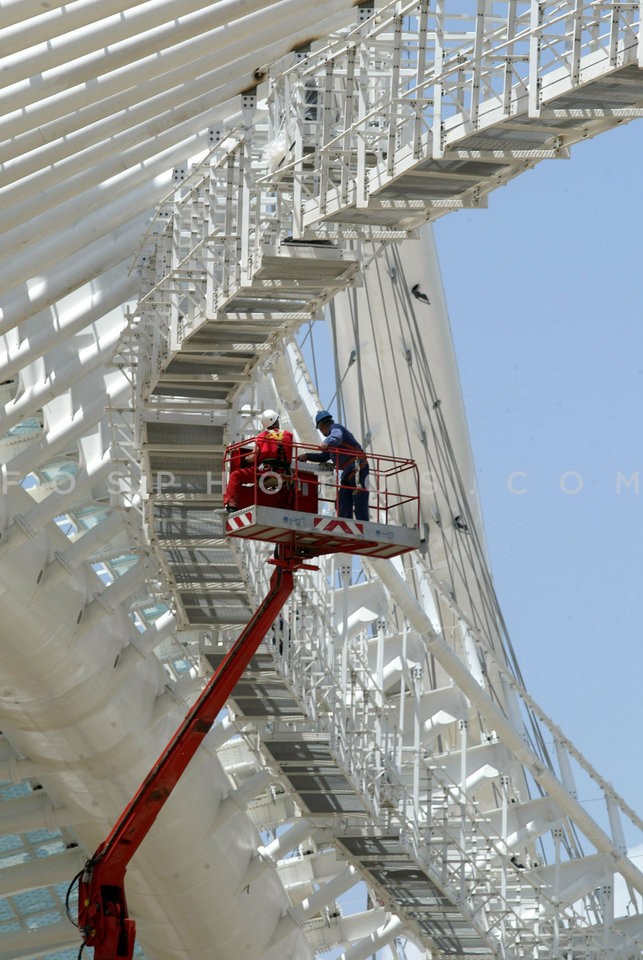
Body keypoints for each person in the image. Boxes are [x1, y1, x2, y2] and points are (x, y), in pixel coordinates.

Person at [298, 410, 369, 520]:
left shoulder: (335, 428)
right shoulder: (332, 442)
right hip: (348, 472)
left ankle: (365, 525)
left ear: (321, 426)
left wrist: (326, 442)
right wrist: (307, 456)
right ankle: (346, 524)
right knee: (341, 502)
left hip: (357, 466)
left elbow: (337, 436)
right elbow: (324, 457)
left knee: (359, 497)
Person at [224, 409, 293, 512]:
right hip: (284, 472)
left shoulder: (262, 436)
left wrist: (245, 459)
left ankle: (231, 504)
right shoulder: (289, 435)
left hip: (266, 472)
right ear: (276, 420)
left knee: (235, 475)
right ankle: (284, 505)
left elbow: (253, 457)